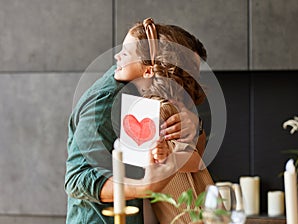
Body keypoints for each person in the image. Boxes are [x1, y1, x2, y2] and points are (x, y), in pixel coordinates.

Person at [65, 18, 211, 224]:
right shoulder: (106, 101)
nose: (189, 81)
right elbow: (75, 181)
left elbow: (195, 159)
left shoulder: (152, 99)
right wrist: (145, 186)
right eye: (185, 71)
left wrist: (195, 126)